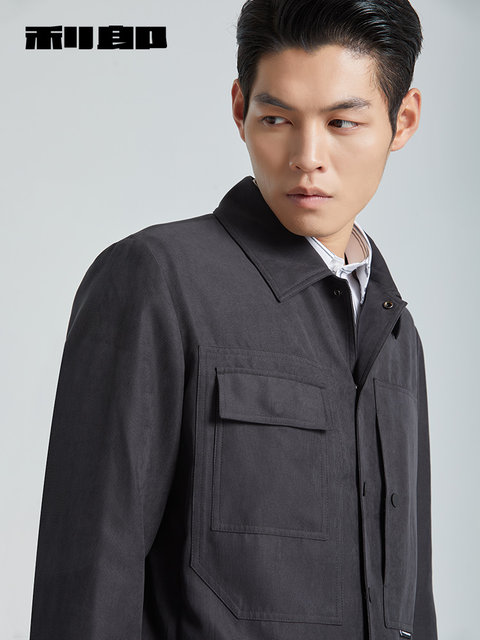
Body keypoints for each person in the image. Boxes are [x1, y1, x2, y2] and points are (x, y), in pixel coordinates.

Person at [29, 0, 437, 638]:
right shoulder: (157, 279)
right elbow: (87, 579)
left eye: (341, 122)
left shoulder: (394, 330)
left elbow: (411, 601)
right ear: (240, 110)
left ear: (402, 120)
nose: (307, 156)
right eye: (277, 119)